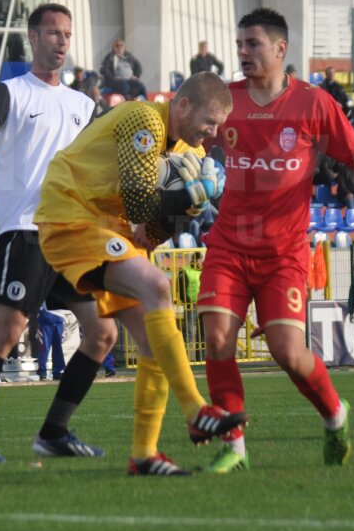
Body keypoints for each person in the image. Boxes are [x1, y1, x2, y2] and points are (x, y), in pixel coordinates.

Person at [197, 7, 354, 473]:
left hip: (283, 252)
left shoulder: (312, 103)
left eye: (253, 44)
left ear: (280, 49)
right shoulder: (225, 101)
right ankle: (236, 447)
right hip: (228, 245)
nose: (242, 52)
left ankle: (334, 415)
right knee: (218, 338)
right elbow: (185, 141)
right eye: (240, 44)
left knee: (287, 352)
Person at [34, 70, 245, 476]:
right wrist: (190, 195)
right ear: (182, 105)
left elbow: (149, 232)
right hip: (71, 212)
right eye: (209, 121)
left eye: (219, 125)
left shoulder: (190, 151)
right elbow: (137, 202)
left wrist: (189, 209)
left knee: (152, 338)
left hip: (106, 226)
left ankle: (144, 455)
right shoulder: (143, 119)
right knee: (157, 286)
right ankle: (197, 409)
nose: (214, 133)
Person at [0, 3, 117, 465]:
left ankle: (53, 433)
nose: (61, 42)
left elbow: (100, 161)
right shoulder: (11, 91)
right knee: (8, 331)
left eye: (67, 34)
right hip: (27, 232)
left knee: (102, 334)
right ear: (33, 37)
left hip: (72, 236)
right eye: (53, 33)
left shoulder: (84, 105)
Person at [35, 304, 67, 380]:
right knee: (44, 348)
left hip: (59, 319)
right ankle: (42, 373)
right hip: (45, 319)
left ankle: (57, 372)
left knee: (58, 348)